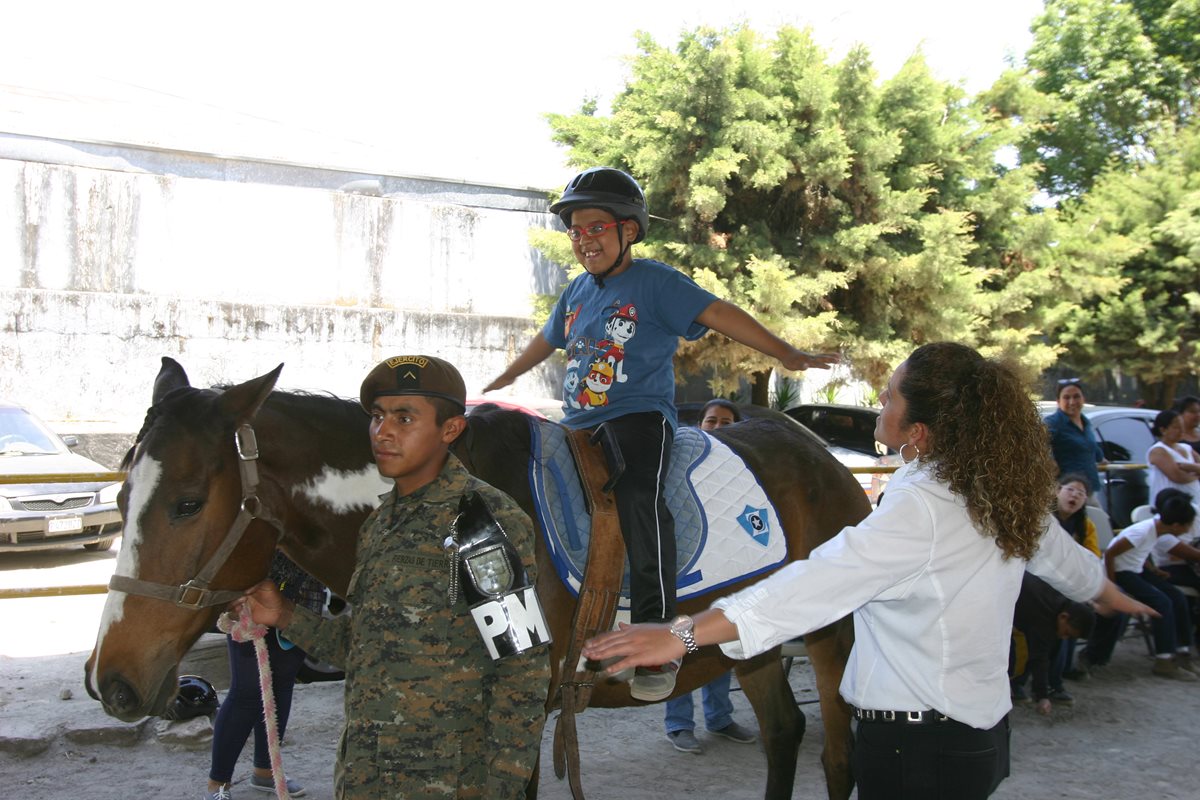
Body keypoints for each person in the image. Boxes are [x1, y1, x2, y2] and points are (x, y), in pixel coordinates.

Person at [583, 341, 1154, 800]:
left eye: (891, 394)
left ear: (919, 431)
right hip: (978, 737)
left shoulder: (923, 508)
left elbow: (813, 586)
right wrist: (1111, 594)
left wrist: (680, 634)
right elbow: (1066, 561)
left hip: (916, 749)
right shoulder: (1000, 489)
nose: (880, 399)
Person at [482, 167, 837, 701]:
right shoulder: (576, 291)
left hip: (637, 416)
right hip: (576, 422)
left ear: (629, 230)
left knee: (637, 494)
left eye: (596, 227)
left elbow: (716, 311)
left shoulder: (654, 281)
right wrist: (506, 376)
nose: (584, 240)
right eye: (575, 231)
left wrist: (785, 352)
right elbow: (547, 339)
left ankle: (657, 629)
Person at [238, 355, 550, 799]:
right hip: (366, 776)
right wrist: (284, 614)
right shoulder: (380, 523)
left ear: (450, 430)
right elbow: (362, 648)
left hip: (448, 783)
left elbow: (522, 668)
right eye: (377, 416)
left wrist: (503, 788)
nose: (382, 431)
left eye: (404, 418)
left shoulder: (480, 520)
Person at [663, 399, 756, 753]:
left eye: (726, 422)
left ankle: (719, 718)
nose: (717, 427)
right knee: (682, 647)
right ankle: (679, 724)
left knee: (719, 648)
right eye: (711, 421)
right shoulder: (679, 463)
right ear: (700, 425)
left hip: (725, 573)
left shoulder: (740, 473)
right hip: (686, 574)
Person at [205, 553, 324, 800]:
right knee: (246, 690)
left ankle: (265, 771)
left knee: (281, 685)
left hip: (304, 596)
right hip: (251, 594)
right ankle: (218, 782)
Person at [1082, 488, 1198, 680]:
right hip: (1122, 572)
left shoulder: (1158, 529)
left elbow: (1139, 552)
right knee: (1162, 603)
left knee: (1176, 597)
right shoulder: (1142, 531)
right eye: (1188, 525)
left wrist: (1153, 569)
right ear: (1176, 525)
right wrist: (1113, 586)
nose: (1189, 528)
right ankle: (1164, 661)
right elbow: (1110, 554)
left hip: (1136, 569)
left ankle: (1182, 652)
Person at [1008, 573, 1095, 715]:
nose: (1064, 637)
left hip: (1017, 589)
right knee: (1026, 650)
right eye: (1067, 633)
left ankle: (1018, 684)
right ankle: (1014, 684)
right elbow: (1039, 658)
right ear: (1064, 617)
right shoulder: (1045, 618)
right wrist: (1042, 697)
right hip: (1004, 596)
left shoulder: (1062, 602)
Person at [1051, 474, 1101, 682]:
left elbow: (1093, 558)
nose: (1075, 496)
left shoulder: (1085, 526)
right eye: (1070, 490)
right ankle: (1053, 678)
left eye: (1081, 493)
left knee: (1082, 610)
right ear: (1057, 491)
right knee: (1069, 609)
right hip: (1041, 580)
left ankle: (1067, 667)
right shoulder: (1043, 518)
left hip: (1072, 581)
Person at [1045, 379, 1108, 510]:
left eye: (1076, 396)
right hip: (1066, 493)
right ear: (1058, 401)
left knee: (1100, 521)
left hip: (1088, 490)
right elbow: (1039, 445)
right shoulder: (1053, 423)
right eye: (1066, 397)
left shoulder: (1086, 423)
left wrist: (1101, 458)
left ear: (1083, 399)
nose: (1072, 402)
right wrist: (1050, 460)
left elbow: (1091, 447)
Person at [1146, 409, 1200, 538]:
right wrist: (1196, 473)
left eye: (1182, 427)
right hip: (1170, 505)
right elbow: (1177, 476)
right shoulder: (1158, 450)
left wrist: (1190, 467)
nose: (1181, 430)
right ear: (1163, 429)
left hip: (1193, 501)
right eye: (1176, 427)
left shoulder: (1186, 448)